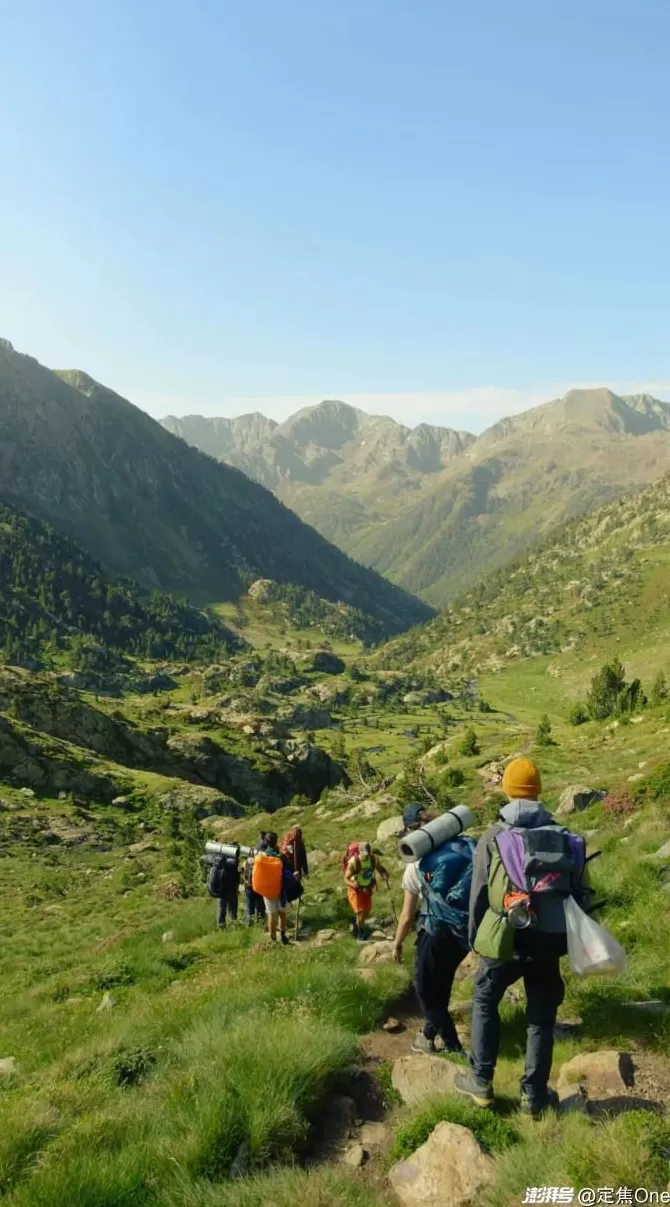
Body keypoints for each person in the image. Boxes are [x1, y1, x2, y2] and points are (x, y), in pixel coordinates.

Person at [454, 758, 591, 1117]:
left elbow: (479, 894)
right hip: (549, 941)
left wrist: (474, 940)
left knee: (485, 1000)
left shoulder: (495, 836)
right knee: (541, 1016)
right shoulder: (567, 838)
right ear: (538, 791)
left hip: (505, 939)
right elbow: (582, 893)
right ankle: (534, 1096)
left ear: (508, 791)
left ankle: (481, 1082)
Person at [393, 807, 474, 1057]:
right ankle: (428, 1034)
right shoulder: (465, 847)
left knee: (426, 991)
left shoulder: (416, 866)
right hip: (466, 934)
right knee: (444, 981)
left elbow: (407, 917)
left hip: (436, 932)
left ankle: (453, 1047)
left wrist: (397, 943)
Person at [344, 842, 389, 940]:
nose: (366, 856)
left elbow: (380, 868)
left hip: (367, 888)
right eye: (364, 854)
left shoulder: (373, 859)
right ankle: (360, 934)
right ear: (359, 852)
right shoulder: (353, 862)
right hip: (355, 890)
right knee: (360, 912)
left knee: (367, 911)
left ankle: (356, 923)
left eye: (367, 854)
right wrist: (353, 884)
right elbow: (346, 878)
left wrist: (384, 874)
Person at [260, 831, 291, 946]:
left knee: (270, 914)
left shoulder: (262, 856)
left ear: (265, 842)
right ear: (276, 841)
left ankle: (272, 938)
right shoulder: (280, 856)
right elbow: (287, 870)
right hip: (280, 888)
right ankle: (283, 936)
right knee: (282, 913)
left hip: (267, 890)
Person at [213, 848, 241, 930]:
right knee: (233, 910)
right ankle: (234, 925)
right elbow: (238, 878)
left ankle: (221, 927)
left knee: (221, 910)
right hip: (232, 889)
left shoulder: (221, 862)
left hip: (221, 890)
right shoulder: (234, 862)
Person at [242, 850, 266, 926]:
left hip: (248, 888)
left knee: (249, 906)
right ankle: (261, 923)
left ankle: (249, 924)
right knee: (260, 906)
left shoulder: (245, 863)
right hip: (258, 888)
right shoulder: (258, 863)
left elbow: (242, 872)